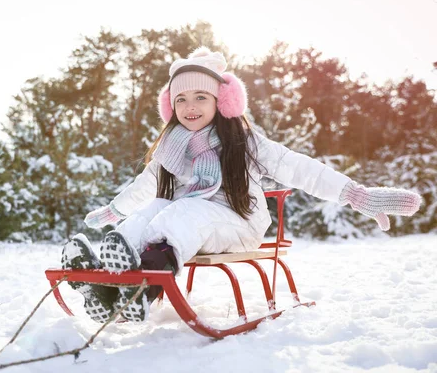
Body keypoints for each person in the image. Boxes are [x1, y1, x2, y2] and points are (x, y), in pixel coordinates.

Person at [61, 47, 422, 324]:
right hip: (191, 225)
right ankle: (103, 283)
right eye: (181, 99)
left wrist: (355, 194)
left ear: (223, 101)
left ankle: (143, 292)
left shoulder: (244, 141)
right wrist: (116, 210)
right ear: (170, 106)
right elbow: (145, 185)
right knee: (155, 208)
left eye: (200, 97)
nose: (190, 106)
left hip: (239, 224)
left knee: (183, 210)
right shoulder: (172, 147)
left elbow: (297, 167)